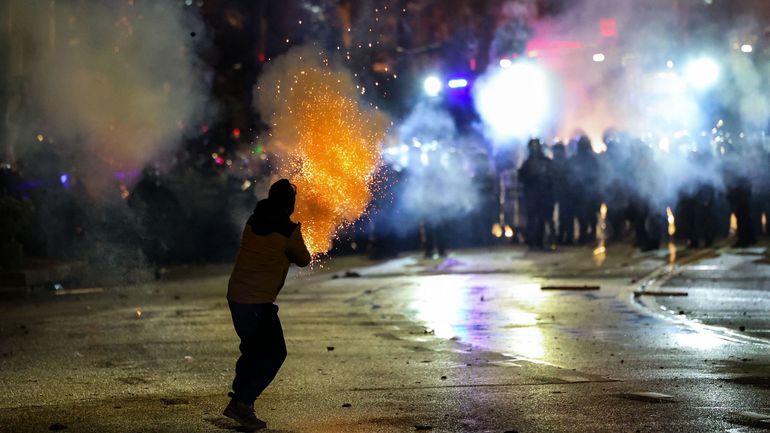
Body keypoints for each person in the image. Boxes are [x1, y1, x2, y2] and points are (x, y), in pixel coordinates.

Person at [223, 179, 311, 430]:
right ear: (289, 203)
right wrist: (298, 233)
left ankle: (240, 403)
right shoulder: (288, 230)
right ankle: (243, 402)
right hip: (257, 303)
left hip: (237, 297)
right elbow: (303, 259)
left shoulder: (253, 220)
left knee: (252, 351)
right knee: (274, 353)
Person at [518, 138, 553, 249]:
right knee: (532, 220)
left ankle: (539, 241)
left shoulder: (546, 162)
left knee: (541, 220)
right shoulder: (527, 163)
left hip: (543, 195)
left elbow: (553, 178)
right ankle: (532, 242)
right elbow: (521, 178)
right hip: (532, 195)